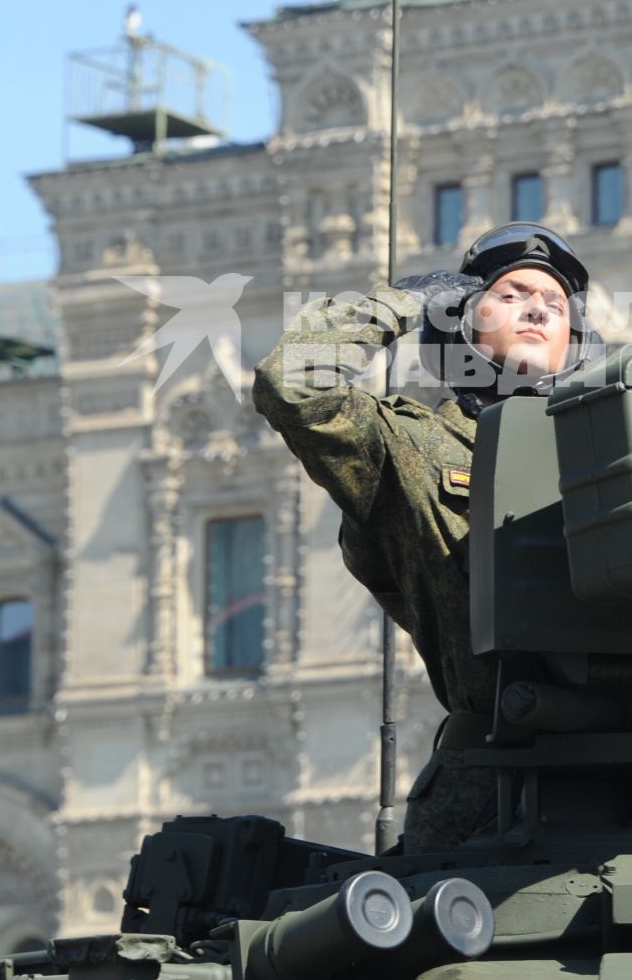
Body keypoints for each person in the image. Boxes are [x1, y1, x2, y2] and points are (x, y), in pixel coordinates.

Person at [251, 222, 601, 852]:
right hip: (498, 789)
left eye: (555, 305)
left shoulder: (611, 449)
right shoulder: (410, 446)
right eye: (514, 293)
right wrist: (400, 303)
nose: (538, 309)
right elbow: (296, 389)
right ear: (462, 322)